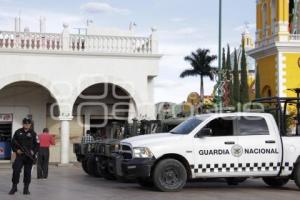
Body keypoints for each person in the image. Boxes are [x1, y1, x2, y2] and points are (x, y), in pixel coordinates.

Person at [9, 118, 39, 195]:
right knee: (16, 170)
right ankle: (14, 187)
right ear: (23, 124)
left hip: (29, 157)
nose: (27, 125)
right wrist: (16, 150)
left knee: (27, 173)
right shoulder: (18, 132)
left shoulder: (33, 133)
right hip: (20, 156)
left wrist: (33, 152)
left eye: (28, 124)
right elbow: (12, 143)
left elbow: (37, 145)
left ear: (30, 125)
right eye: (25, 124)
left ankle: (26, 189)